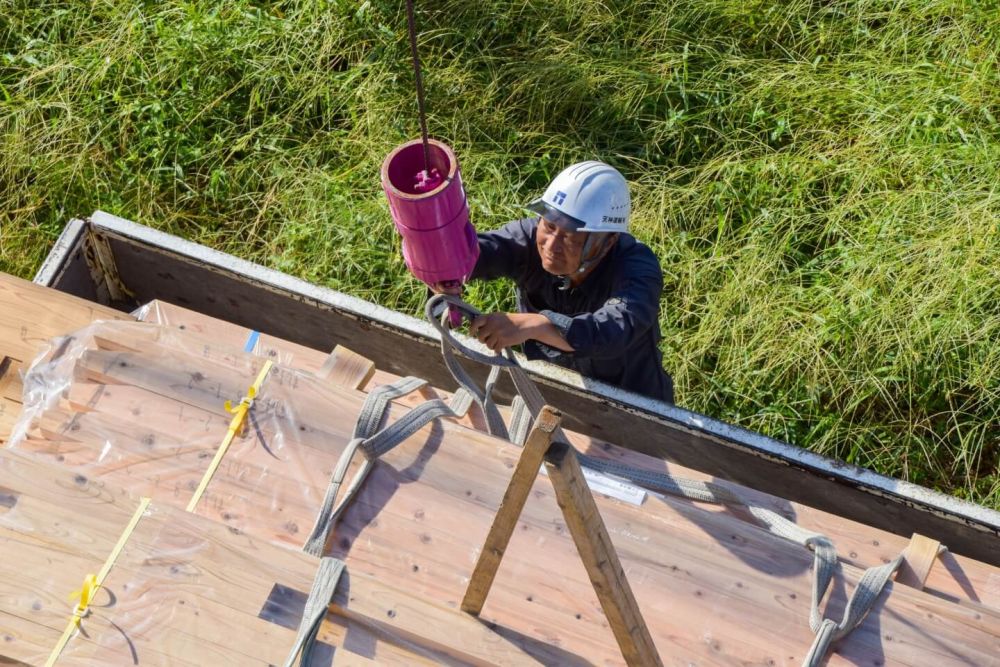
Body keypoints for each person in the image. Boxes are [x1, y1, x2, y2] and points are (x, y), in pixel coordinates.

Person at [452, 160, 674, 403]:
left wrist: (536, 325)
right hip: (554, 390)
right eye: (549, 225)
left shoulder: (636, 268)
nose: (551, 246)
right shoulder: (527, 240)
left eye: (571, 238)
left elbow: (614, 329)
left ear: (608, 241)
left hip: (633, 402)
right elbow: (476, 254)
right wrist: (444, 269)